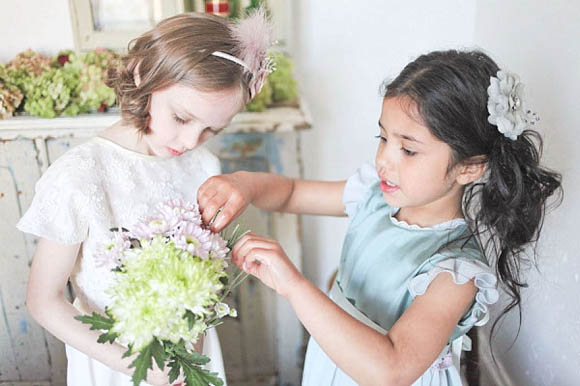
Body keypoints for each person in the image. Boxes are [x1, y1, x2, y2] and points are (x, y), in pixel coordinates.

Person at [197, 49, 562, 385]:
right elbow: (291, 192)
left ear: (469, 168)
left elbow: (392, 369)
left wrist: (293, 284)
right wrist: (243, 184)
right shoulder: (373, 196)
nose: (385, 159)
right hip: (331, 366)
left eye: (408, 149)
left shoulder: (454, 271)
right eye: (383, 138)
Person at [17, 10, 272, 386]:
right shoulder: (80, 176)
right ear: (143, 76)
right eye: (182, 118)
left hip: (191, 354)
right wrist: (140, 365)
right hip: (114, 361)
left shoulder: (203, 165)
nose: (189, 142)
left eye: (211, 130)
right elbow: (44, 300)